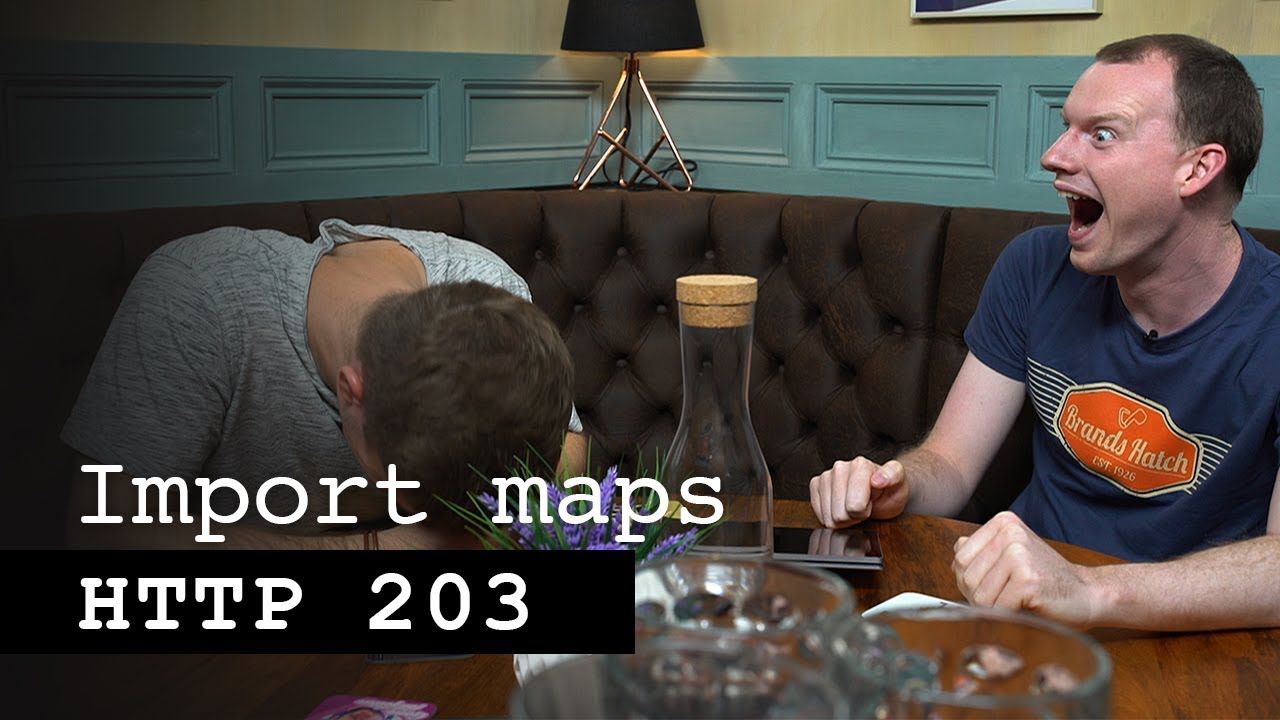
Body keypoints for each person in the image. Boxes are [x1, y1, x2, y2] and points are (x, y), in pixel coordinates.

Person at [810, 34, 1280, 632]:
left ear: (1198, 169)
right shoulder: (1035, 265)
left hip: (1190, 643)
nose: (1053, 156)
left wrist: (1088, 590)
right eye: (1066, 128)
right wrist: (897, 484)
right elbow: (950, 463)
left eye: (1102, 135)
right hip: (1014, 615)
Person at [62, 218, 587, 550]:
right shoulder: (195, 298)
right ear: (351, 394)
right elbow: (99, 531)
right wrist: (384, 548)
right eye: (415, 495)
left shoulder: (489, 293)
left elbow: (567, 447)